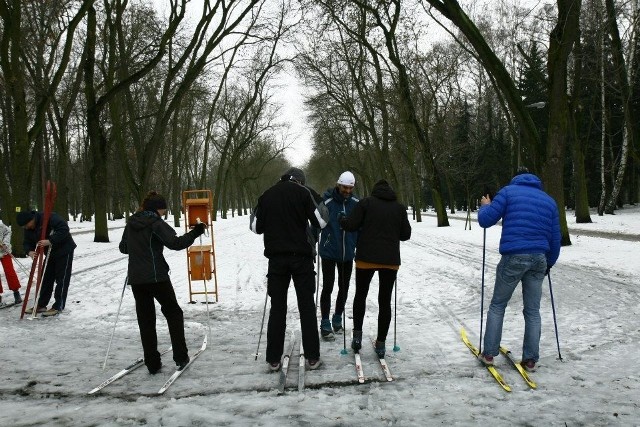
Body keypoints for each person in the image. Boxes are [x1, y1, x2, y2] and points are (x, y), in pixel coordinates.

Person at [477, 168, 561, 372]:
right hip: (539, 259)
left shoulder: (508, 192)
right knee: (532, 311)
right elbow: (555, 238)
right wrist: (549, 263)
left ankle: (489, 354)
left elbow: (485, 220)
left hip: (514, 256)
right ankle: (530, 359)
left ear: (516, 178)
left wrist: (485, 206)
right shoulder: (549, 201)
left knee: (498, 305)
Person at [250, 167, 329, 371]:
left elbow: (255, 227)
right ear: (301, 182)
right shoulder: (304, 193)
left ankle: (274, 359)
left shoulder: (267, 195)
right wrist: (315, 198)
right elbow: (321, 221)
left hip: (276, 260)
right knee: (306, 308)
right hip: (301, 259)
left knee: (278, 308)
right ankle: (312, 357)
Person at [119, 191, 206, 374]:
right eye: (163, 210)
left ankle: (152, 362)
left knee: (146, 319)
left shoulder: (131, 223)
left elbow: (123, 247)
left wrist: (139, 248)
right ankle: (181, 357)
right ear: (157, 209)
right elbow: (175, 243)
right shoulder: (155, 223)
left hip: (137, 279)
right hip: (157, 277)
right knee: (173, 313)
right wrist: (196, 231)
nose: (164, 214)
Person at [339, 179, 411, 359]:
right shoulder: (399, 208)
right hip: (390, 260)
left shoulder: (366, 203)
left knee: (360, 295)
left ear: (374, 190)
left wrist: (342, 219)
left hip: (366, 259)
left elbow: (351, 226)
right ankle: (381, 344)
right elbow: (406, 234)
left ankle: (357, 337)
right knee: (384, 301)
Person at [318, 171, 359, 339]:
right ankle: (325, 322)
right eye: (344, 187)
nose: (347, 191)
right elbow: (316, 224)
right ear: (338, 185)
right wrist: (311, 243)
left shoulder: (356, 204)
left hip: (347, 253)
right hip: (329, 251)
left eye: (350, 188)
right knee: (328, 286)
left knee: (344, 287)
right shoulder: (326, 202)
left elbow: (361, 227)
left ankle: (337, 318)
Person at [17, 209, 76, 317]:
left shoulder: (49, 217)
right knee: (46, 278)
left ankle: (58, 305)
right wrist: (29, 251)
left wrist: (50, 240)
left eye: (26, 225)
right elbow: (27, 241)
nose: (26, 228)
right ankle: (41, 304)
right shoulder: (29, 227)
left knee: (61, 279)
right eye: (24, 227)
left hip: (64, 250)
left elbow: (64, 229)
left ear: (32, 219)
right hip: (49, 253)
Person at [0, 219, 22, 306]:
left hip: (4, 251)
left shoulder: (1, 225)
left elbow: (8, 232)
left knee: (9, 271)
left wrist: (5, 242)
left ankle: (16, 292)